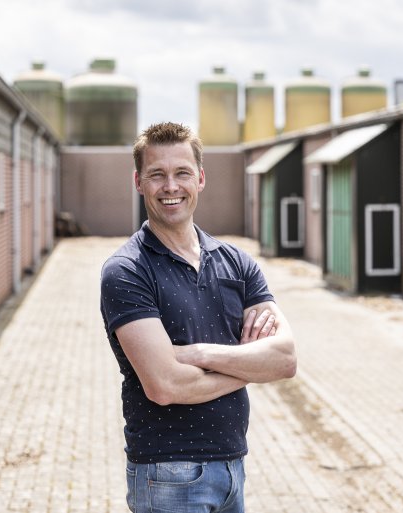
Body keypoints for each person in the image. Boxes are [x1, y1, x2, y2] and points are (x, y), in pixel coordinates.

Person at [100, 122, 297, 513]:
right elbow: (164, 386)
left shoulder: (236, 262)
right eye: (157, 175)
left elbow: (285, 359)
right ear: (139, 182)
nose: (171, 186)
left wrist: (197, 354)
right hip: (167, 475)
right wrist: (250, 367)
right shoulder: (127, 271)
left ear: (201, 178)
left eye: (182, 173)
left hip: (233, 466)